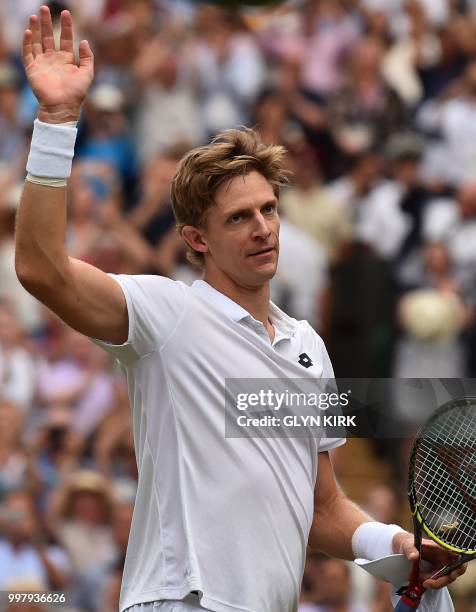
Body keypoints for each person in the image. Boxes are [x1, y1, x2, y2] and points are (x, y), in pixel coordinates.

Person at [14, 6, 466, 612]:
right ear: (196, 239)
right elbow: (42, 270)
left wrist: (397, 545)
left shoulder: (311, 347)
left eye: (268, 210)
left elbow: (322, 508)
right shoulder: (165, 313)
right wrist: (57, 119)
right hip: (179, 601)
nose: (262, 228)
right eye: (238, 218)